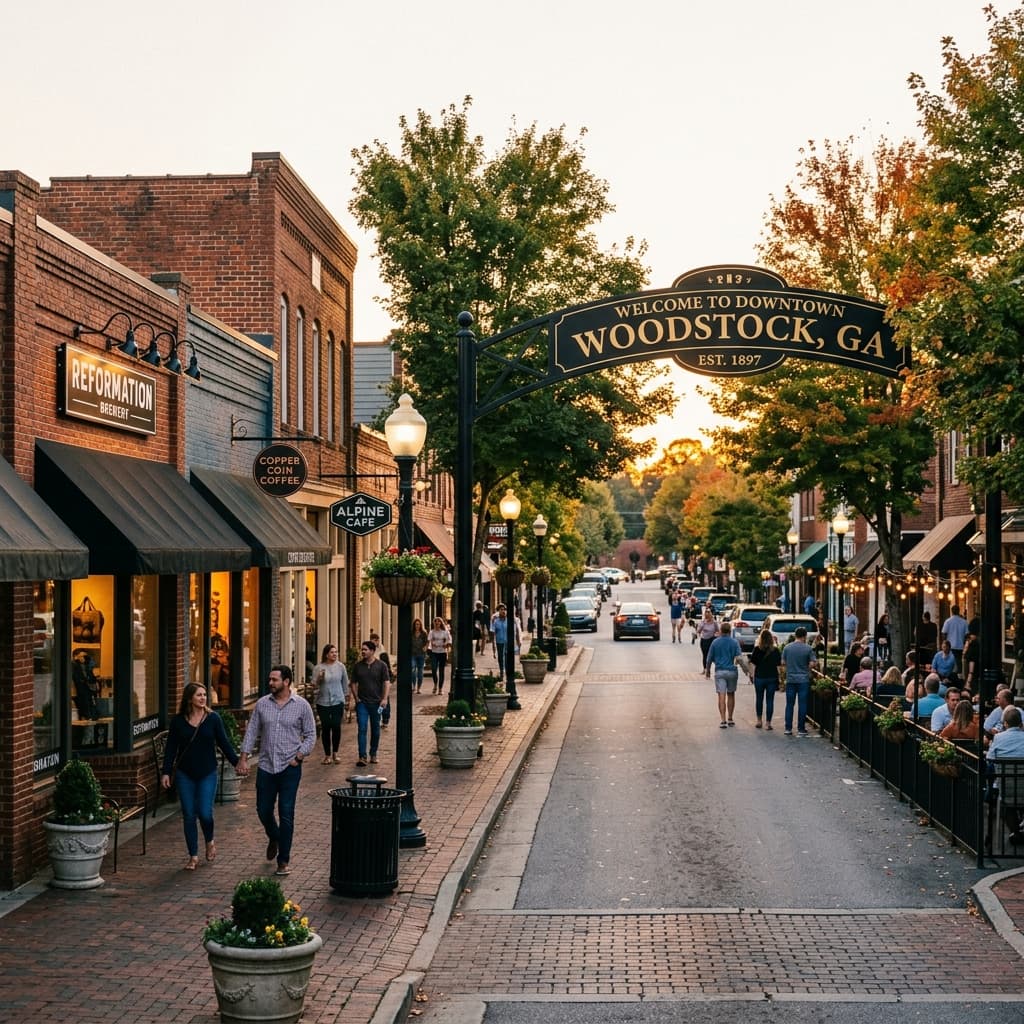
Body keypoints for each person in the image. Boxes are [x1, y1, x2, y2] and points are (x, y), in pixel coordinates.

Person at [237, 665, 316, 877]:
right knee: (263, 810)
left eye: (274, 680)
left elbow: (310, 735)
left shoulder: (301, 706)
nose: (270, 683)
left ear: (287, 681)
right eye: (270, 679)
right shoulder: (262, 704)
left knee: (286, 813)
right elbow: (252, 731)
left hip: (290, 768)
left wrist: (299, 757)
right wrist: (243, 758)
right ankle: (274, 835)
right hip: (266, 766)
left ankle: (283, 861)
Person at [160, 682, 238, 871]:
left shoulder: (213, 719)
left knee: (205, 813)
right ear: (189, 698)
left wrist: (238, 763)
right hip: (185, 774)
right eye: (199, 695)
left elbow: (224, 744)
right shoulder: (178, 721)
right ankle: (193, 856)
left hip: (207, 772)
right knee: (188, 815)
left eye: (204, 695)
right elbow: (171, 749)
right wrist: (166, 772)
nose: (203, 698)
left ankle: (209, 840)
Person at [349, 640, 391, 767]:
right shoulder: (358, 666)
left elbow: (386, 683)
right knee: (362, 728)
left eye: (365, 649)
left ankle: (373, 753)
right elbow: (353, 683)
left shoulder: (381, 666)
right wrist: (356, 698)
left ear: (372, 651)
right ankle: (362, 756)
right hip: (362, 703)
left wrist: (384, 699)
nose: (363, 652)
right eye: (362, 649)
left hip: (377, 703)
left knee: (376, 729)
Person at [986, 706, 1024, 843]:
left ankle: (1015, 832)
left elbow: (990, 758)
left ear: (1005, 724)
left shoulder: (998, 738)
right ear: (1021, 724)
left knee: (1006, 804)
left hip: (1006, 786)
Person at [312, 643, 348, 764]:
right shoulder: (318, 667)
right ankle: (327, 755)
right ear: (326, 654)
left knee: (336, 726)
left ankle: (335, 753)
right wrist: (319, 679)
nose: (335, 654)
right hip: (323, 702)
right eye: (332, 652)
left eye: (336, 652)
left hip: (338, 700)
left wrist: (346, 698)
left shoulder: (341, 667)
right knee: (326, 727)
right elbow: (314, 685)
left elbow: (345, 683)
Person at [780, 626, 818, 736]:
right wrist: (807, 668)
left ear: (795, 635)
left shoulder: (787, 648)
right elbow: (812, 663)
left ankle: (788, 728)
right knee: (802, 704)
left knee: (789, 704)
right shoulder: (808, 649)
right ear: (804, 636)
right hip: (803, 679)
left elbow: (783, 662)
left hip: (791, 679)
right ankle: (801, 728)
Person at [706, 621, 742, 728]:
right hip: (732, 671)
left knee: (721, 695)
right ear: (730, 631)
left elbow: (709, 659)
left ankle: (723, 720)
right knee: (731, 694)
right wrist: (748, 671)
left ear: (720, 631)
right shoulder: (734, 643)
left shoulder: (715, 643)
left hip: (720, 671)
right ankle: (730, 718)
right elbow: (739, 658)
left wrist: (707, 670)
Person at [749, 628, 781, 730]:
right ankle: (768, 723)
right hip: (771, 677)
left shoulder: (757, 649)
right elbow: (778, 666)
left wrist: (752, 675)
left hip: (759, 677)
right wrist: (780, 677)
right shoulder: (775, 650)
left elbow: (752, 664)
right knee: (770, 700)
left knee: (759, 699)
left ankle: (759, 720)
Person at [491, 605, 520, 686]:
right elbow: (493, 633)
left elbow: (516, 631)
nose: (503, 611)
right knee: (500, 657)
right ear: (498, 611)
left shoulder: (510, 620)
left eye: (504, 610)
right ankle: (501, 671)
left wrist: (518, 642)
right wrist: (493, 645)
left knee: (508, 657)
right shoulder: (495, 621)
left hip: (508, 642)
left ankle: (508, 673)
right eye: (501, 610)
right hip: (499, 641)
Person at [369, 631, 393, 727]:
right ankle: (378, 717)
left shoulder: (382, 651)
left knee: (384, 698)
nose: (375, 642)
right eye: (373, 640)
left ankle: (385, 718)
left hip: (382, 680)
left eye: (376, 640)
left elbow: (387, 666)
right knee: (376, 700)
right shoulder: (369, 650)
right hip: (372, 680)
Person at [71, 647, 100, 721]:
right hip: (80, 686)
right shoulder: (74, 664)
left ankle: (92, 715)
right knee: (83, 701)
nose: (83, 658)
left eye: (85, 656)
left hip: (88, 685)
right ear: (76, 656)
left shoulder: (87, 664)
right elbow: (75, 676)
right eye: (81, 656)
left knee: (91, 700)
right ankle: (86, 715)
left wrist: (88, 659)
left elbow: (93, 665)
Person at [427, 616, 453, 696]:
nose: (437, 623)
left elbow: (449, 640)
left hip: (442, 653)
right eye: (435, 622)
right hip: (434, 652)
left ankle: (440, 689)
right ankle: (435, 683)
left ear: (441, 623)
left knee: (441, 671)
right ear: (434, 623)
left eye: (438, 622)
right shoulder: (432, 632)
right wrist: (431, 644)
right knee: (434, 669)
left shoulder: (445, 632)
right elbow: (429, 640)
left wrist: (447, 645)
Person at [941, 605, 969, 672]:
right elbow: (967, 635)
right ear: (959, 611)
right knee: (959, 662)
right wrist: (964, 642)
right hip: (960, 646)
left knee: (949, 663)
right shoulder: (964, 622)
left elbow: (944, 633)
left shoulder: (948, 621)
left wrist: (944, 644)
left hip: (949, 646)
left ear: (952, 611)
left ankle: (950, 676)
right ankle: (958, 677)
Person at [410, 618, 428, 694]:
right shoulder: (411, 633)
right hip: (413, 654)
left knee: (420, 672)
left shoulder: (424, 633)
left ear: (421, 625)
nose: (417, 625)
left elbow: (427, 642)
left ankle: (419, 688)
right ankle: (413, 685)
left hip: (421, 654)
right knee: (413, 669)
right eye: (416, 624)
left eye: (418, 624)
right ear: (414, 625)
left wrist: (425, 647)